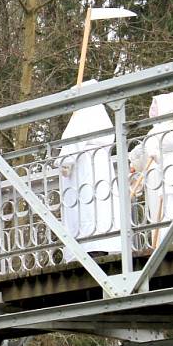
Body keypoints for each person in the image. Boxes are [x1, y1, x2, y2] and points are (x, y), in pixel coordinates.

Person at [55, 90, 121, 259]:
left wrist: (62, 162)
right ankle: (101, 245)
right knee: (100, 210)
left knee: (87, 211)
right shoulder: (99, 118)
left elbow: (72, 144)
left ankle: (89, 248)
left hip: (84, 172)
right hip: (97, 172)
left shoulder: (84, 115)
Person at [140, 83, 173, 246]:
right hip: (172, 175)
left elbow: (168, 140)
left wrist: (155, 145)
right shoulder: (169, 124)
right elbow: (152, 141)